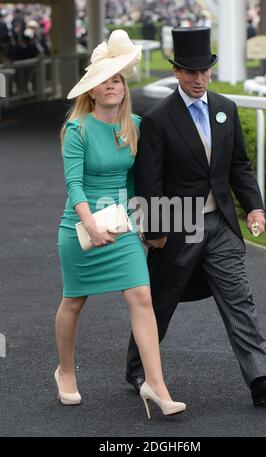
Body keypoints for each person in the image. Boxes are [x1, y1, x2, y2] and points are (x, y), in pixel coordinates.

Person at [126, 27, 266, 407]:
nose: (198, 79)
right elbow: (149, 182)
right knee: (161, 300)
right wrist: (155, 230)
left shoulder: (225, 108)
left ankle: (261, 378)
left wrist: (254, 205)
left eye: (204, 71)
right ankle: (137, 368)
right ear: (176, 72)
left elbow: (238, 165)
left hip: (220, 223)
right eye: (190, 72)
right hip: (178, 223)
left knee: (239, 297)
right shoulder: (157, 119)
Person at [55, 29, 186, 418]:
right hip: (80, 227)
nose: (112, 86)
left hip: (122, 223)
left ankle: (156, 384)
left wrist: (143, 222)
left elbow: (137, 181)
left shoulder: (137, 126)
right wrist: (91, 225)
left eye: (117, 80)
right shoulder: (76, 129)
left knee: (141, 297)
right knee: (74, 302)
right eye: (104, 82)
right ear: (92, 91)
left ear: (123, 87)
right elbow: (73, 184)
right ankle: (64, 371)